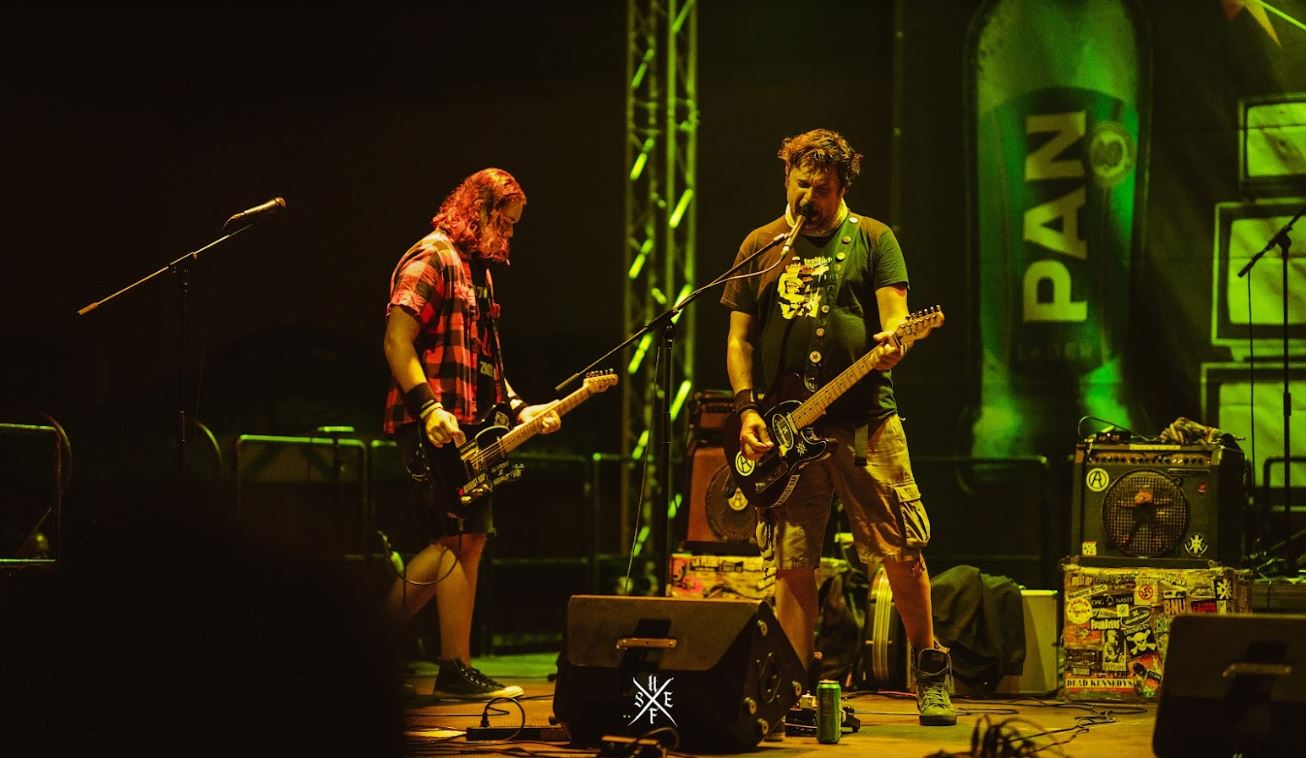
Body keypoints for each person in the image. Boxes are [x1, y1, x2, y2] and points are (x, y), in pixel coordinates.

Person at [721, 129, 955, 726]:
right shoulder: (759, 246)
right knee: (793, 560)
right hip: (786, 429)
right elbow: (739, 340)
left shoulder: (874, 238)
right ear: (786, 178)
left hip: (865, 422)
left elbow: (896, 320)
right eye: (801, 185)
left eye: (821, 189)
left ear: (842, 187)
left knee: (900, 549)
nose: (808, 198)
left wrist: (896, 341)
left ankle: (930, 670)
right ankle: (792, 690)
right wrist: (747, 409)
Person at [381, 167, 560, 700]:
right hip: (435, 423)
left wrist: (520, 409)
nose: (509, 233)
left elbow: (484, 363)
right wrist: (428, 408)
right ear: (478, 210)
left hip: (469, 426)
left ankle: (441, 665)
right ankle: (426, 659)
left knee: (466, 540)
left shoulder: (477, 272)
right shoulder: (433, 256)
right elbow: (396, 340)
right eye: (505, 221)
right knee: (456, 540)